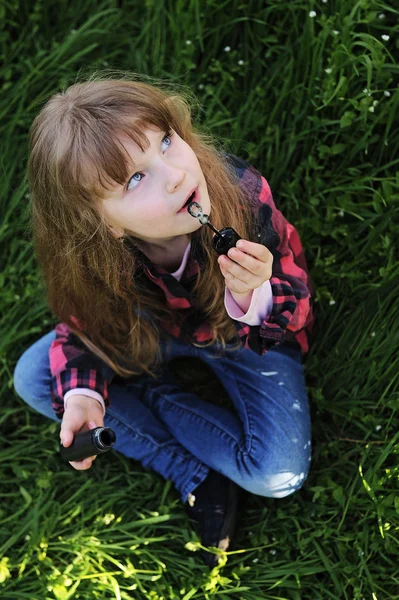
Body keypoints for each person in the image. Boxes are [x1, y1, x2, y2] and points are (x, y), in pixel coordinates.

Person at [13, 73, 315, 568]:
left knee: (276, 474)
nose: (174, 173)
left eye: (167, 142)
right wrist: (84, 397)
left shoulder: (241, 196)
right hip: (152, 326)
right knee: (33, 377)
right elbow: (81, 325)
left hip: (239, 336)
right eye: (135, 179)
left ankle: (142, 393)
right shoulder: (93, 260)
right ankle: (195, 474)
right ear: (104, 224)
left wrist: (253, 292)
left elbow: (298, 307)